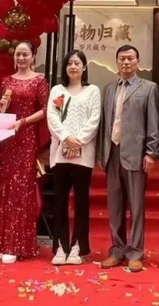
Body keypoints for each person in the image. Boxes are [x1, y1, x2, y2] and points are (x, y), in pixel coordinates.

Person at [97, 45, 159, 273]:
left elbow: (154, 122)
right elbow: (104, 123)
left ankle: (135, 252)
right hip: (112, 152)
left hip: (136, 153)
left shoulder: (149, 88)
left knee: (136, 206)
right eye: (122, 58)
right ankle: (117, 250)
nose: (126, 62)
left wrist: (151, 152)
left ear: (137, 61)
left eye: (130, 58)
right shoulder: (108, 89)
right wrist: (101, 153)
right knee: (114, 206)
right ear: (116, 62)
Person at [0, 40, 49, 264]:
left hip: (26, 139)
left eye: (25, 54)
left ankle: (17, 244)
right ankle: (2, 242)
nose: (21, 58)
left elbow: (46, 109)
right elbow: (3, 109)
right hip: (8, 139)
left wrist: (23, 122)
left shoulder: (39, 80)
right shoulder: (7, 80)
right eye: (18, 55)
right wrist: (0, 107)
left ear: (33, 57)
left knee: (21, 189)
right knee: (5, 186)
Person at [46, 50, 101, 266]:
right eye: (70, 63)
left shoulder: (92, 91)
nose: (73, 67)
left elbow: (94, 119)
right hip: (60, 153)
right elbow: (52, 117)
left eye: (77, 63)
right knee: (60, 200)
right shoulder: (57, 90)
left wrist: (78, 140)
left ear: (84, 67)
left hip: (83, 154)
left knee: (81, 201)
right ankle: (60, 247)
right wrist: (66, 138)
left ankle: (78, 246)